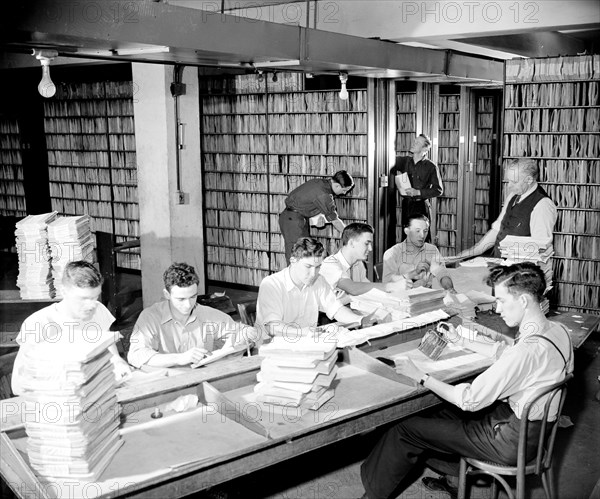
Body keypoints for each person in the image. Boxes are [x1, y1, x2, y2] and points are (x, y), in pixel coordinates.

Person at [359, 262, 573, 499]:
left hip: (509, 441)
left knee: (404, 428)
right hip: (535, 431)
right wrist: (461, 341)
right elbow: (506, 352)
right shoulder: (557, 330)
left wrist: (421, 376)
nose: (498, 308)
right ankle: (454, 478)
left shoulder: (526, 352)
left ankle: (372, 496)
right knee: (436, 415)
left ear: (523, 300)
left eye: (501, 300)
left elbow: (469, 400)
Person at [11, 260, 131, 395]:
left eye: (95, 297)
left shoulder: (99, 311)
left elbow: (111, 353)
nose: (91, 305)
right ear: (64, 291)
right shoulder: (39, 323)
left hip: (96, 393)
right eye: (83, 298)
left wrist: (118, 363)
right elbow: (18, 385)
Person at [128, 262, 256, 368]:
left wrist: (234, 344)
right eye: (181, 299)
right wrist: (179, 358)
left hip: (201, 378)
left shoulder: (207, 314)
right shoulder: (150, 317)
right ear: (167, 295)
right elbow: (136, 355)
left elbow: (248, 331)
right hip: (165, 383)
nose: (188, 305)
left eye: (193, 297)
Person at [256, 237, 373, 337]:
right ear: (293, 261)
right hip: (271, 348)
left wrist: (360, 320)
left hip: (306, 343)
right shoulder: (272, 284)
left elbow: (336, 309)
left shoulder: (319, 280)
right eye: (308, 266)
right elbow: (272, 327)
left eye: (318, 267)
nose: (313, 274)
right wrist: (304, 333)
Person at [453, 158, 557, 261]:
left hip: (521, 270)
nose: (509, 186)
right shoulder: (513, 196)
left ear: (529, 180)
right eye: (508, 181)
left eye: (514, 182)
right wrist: (473, 251)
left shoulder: (543, 205)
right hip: (501, 263)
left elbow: (539, 248)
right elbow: (497, 229)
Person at [319, 222, 410, 304]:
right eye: (366, 243)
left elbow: (368, 290)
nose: (370, 248)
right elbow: (353, 288)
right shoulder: (330, 264)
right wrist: (391, 286)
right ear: (351, 243)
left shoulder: (358, 264)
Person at [279, 170, 354, 264]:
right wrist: (351, 236)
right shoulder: (325, 195)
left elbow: (306, 200)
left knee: (305, 253)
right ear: (337, 185)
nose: (344, 193)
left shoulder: (319, 182)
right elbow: (335, 221)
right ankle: (293, 278)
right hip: (293, 221)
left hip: (294, 217)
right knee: (297, 255)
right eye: (344, 190)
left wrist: (319, 215)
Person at [387, 134, 443, 247]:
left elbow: (438, 190)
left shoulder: (431, 166)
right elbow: (386, 159)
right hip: (407, 206)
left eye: (417, 143)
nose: (413, 143)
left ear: (425, 149)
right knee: (407, 237)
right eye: (414, 141)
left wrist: (418, 192)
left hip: (421, 206)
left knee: (422, 238)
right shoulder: (404, 161)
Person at [383, 214, 456, 293]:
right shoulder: (392, 253)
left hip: (426, 299)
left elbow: (442, 273)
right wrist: (413, 273)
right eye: (417, 231)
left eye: (425, 231)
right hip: (400, 299)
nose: (422, 235)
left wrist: (450, 289)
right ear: (406, 231)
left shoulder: (432, 250)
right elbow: (386, 285)